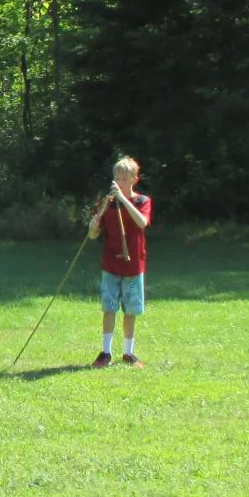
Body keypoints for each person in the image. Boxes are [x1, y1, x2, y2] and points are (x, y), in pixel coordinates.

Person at [88, 155, 152, 368]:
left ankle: (128, 354)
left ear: (134, 179)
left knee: (131, 310)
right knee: (109, 307)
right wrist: (93, 226)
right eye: (116, 177)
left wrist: (124, 200)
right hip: (110, 264)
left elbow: (142, 222)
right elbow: (93, 236)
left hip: (133, 265)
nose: (118, 182)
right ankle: (105, 352)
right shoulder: (107, 203)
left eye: (124, 178)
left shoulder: (142, 201)